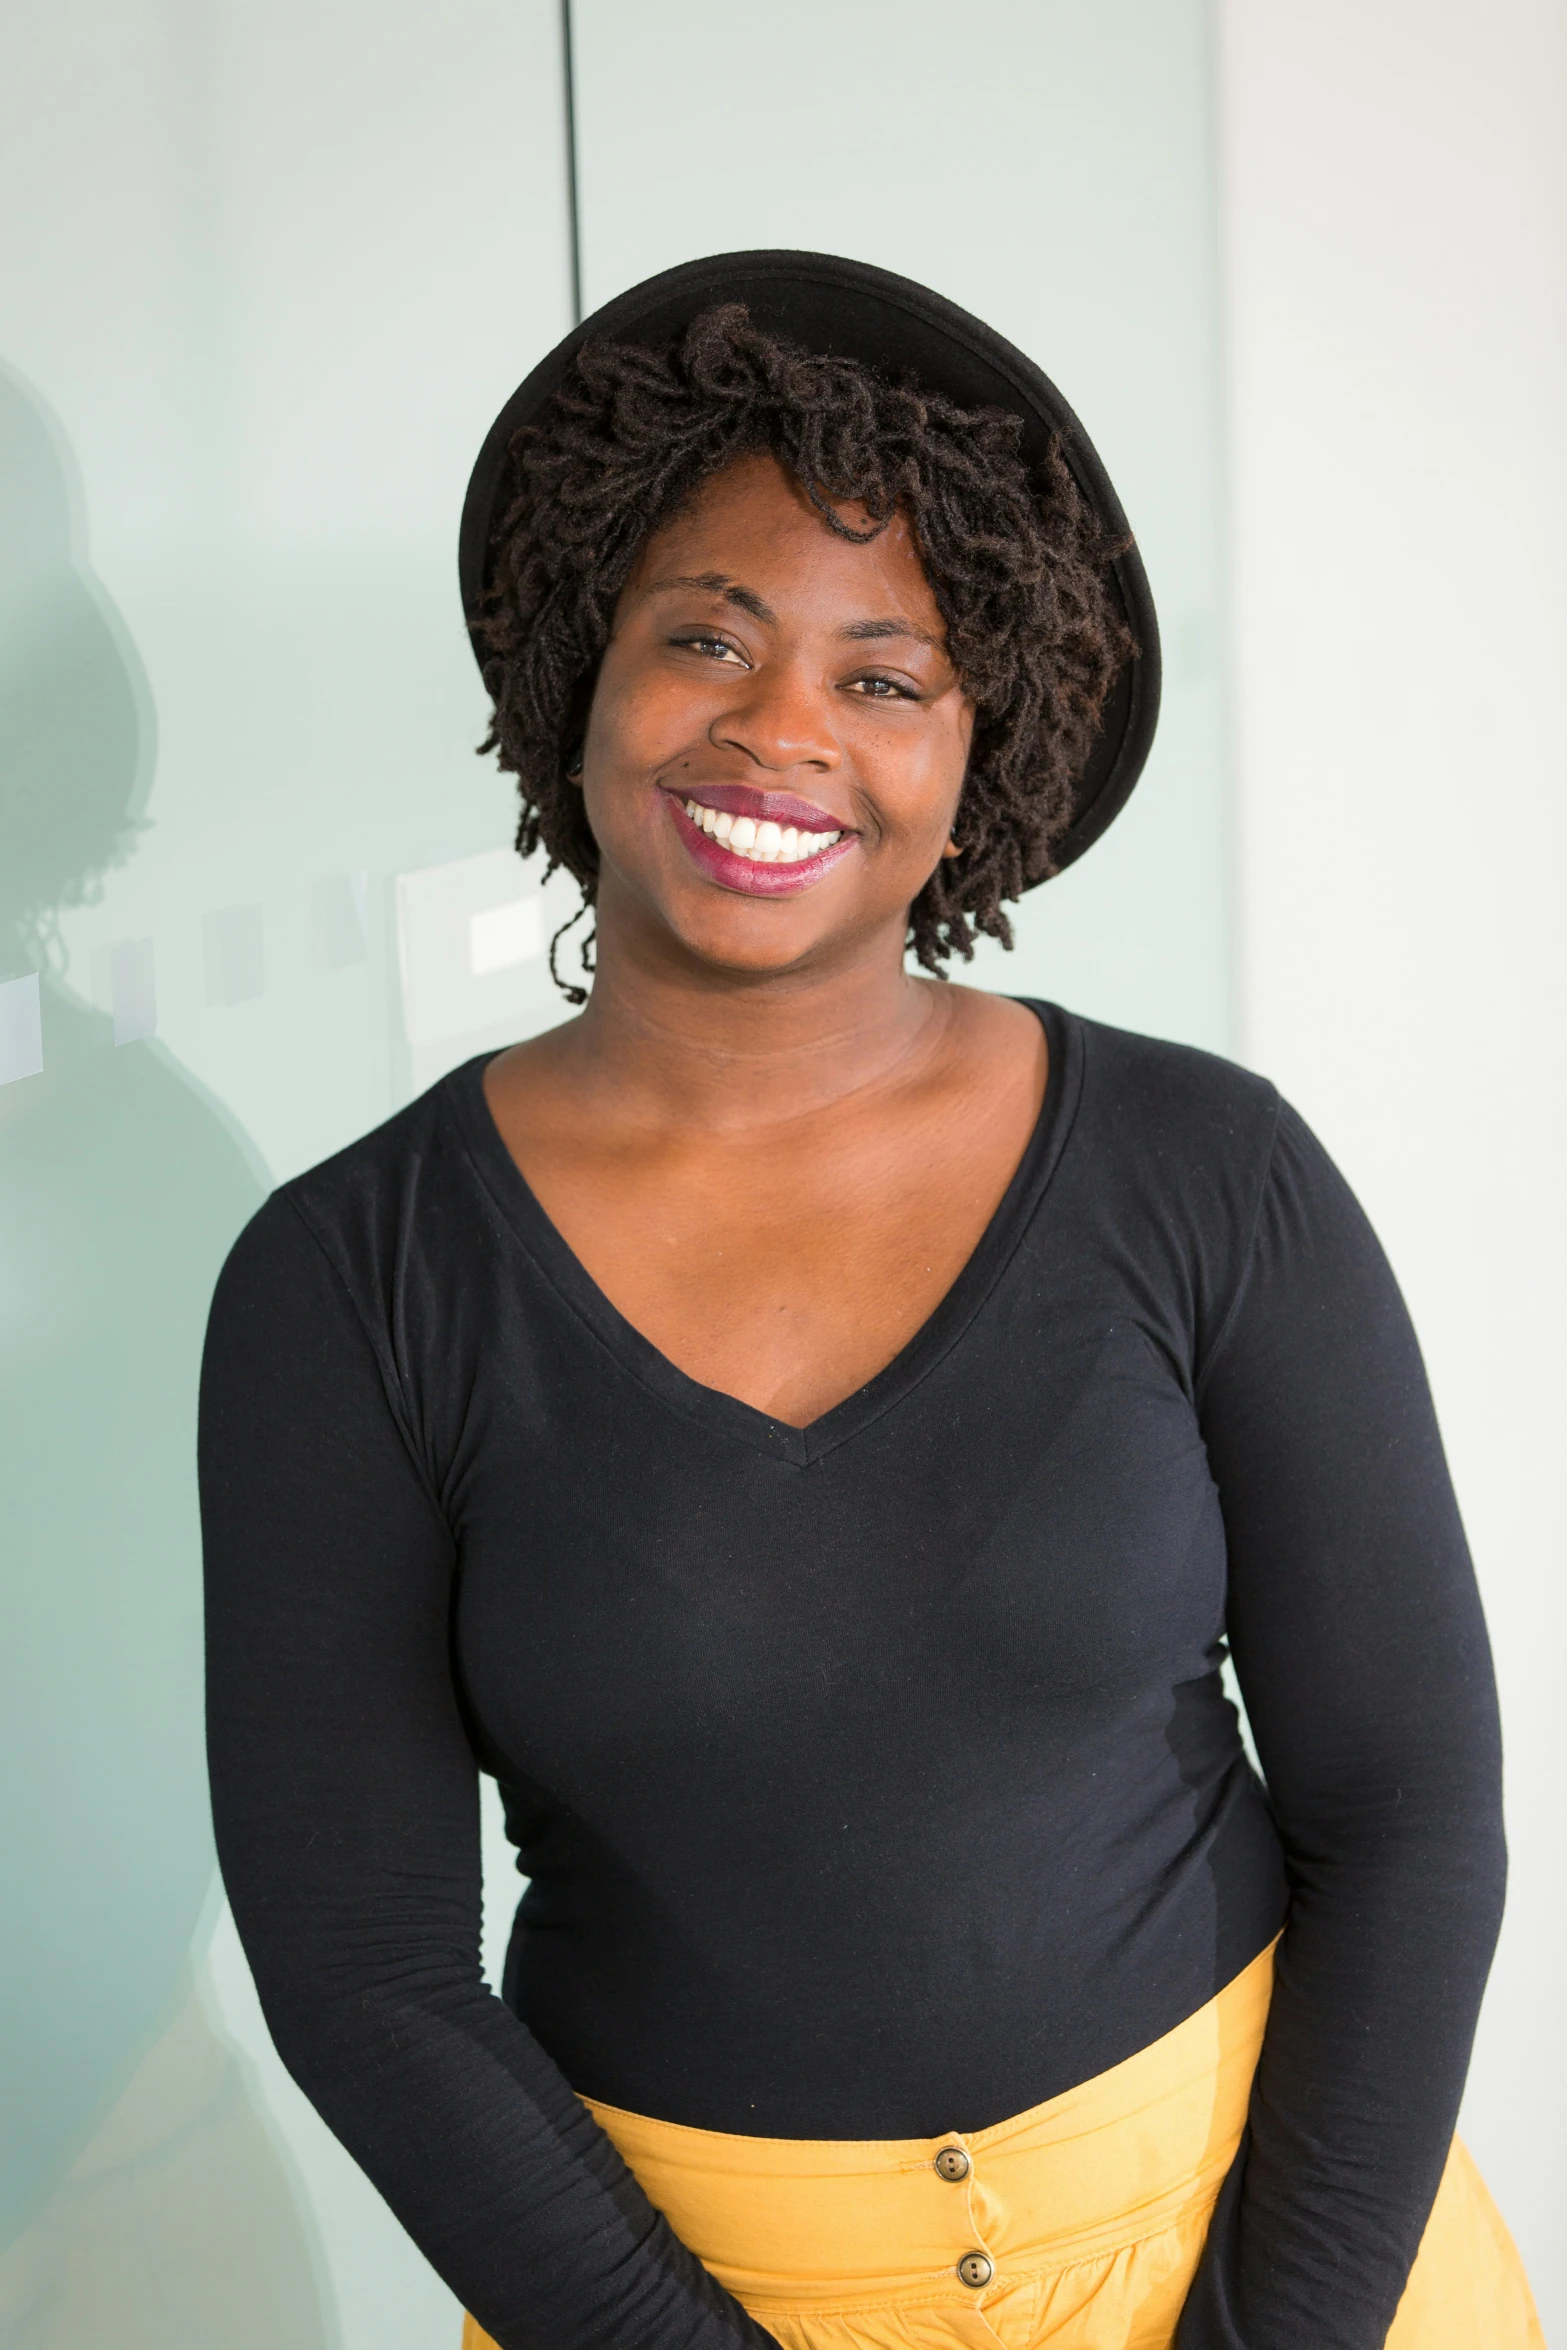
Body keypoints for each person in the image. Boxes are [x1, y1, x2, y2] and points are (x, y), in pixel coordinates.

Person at [199, 253, 1542, 2350]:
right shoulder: (347, 1282)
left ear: (977, 752)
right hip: (671, 2304)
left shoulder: (1210, 1171)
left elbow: (1411, 1813)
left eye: (884, 676)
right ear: (585, 667)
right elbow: (366, 1970)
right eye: (705, 636)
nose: (777, 729)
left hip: (1278, 2266)